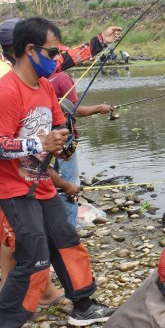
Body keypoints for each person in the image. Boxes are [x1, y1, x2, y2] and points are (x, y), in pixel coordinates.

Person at [0, 17, 121, 297]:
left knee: (46, 239)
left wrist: (100, 42)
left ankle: (64, 296)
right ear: (27, 48)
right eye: (50, 51)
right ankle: (12, 300)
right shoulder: (1, 81)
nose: (55, 59)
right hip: (0, 176)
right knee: (21, 241)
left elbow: (63, 61)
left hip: (32, 177)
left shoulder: (37, 79)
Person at [50, 72, 112, 229]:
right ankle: (71, 224)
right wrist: (99, 108)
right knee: (70, 181)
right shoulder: (63, 78)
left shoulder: (41, 78)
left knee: (51, 177)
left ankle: (54, 220)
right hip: (66, 136)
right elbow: (74, 110)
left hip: (50, 136)